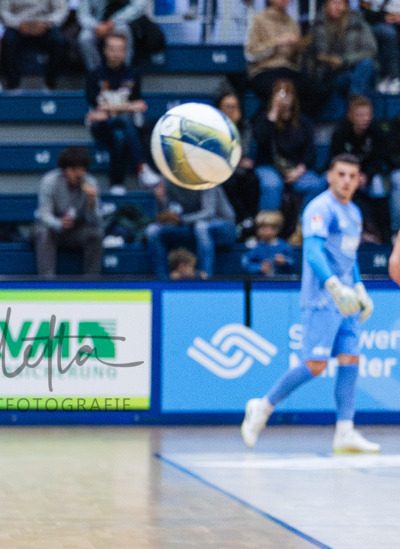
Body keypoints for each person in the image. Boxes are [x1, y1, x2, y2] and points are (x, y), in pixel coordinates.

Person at [242, 153, 379, 454]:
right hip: (323, 297)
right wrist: (334, 286)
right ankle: (262, 407)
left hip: (347, 298)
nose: (346, 181)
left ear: (358, 180)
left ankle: (345, 431)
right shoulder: (319, 208)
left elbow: (349, 257)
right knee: (315, 365)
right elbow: (314, 253)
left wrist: (359, 288)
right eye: (340, 174)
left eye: (352, 176)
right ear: (330, 176)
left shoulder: (354, 213)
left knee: (351, 359)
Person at [84, 32, 161, 194]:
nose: (116, 53)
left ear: (126, 52)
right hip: (101, 125)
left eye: (120, 49)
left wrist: (113, 108)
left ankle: (117, 184)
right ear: (105, 51)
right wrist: (126, 107)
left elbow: (139, 104)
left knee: (120, 134)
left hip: (124, 125)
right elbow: (98, 107)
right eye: (112, 49)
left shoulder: (132, 74)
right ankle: (142, 168)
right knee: (124, 121)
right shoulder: (94, 75)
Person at [251, 79, 325, 216]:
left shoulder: (303, 123)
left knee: (316, 184)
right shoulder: (263, 119)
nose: (283, 97)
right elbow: (260, 142)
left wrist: (299, 170)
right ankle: (267, 228)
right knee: (272, 185)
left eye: (287, 93)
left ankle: (302, 225)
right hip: (269, 166)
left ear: (294, 97)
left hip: (296, 169)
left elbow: (309, 153)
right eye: (279, 93)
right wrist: (273, 113)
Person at [144, 179, 236, 278]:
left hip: (222, 227)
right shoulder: (170, 181)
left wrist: (182, 220)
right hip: (189, 226)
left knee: (201, 227)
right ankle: (162, 277)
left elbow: (209, 213)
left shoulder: (207, 180)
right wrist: (161, 202)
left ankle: (205, 274)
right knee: (152, 230)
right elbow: (167, 213)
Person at [329, 95, 390, 243]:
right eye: (360, 115)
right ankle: (359, 231)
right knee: (347, 187)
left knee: (378, 186)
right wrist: (353, 175)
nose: (365, 119)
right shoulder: (340, 131)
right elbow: (336, 159)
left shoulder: (376, 130)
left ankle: (385, 235)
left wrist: (367, 175)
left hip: (369, 173)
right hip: (347, 174)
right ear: (350, 116)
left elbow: (379, 158)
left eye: (368, 115)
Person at [33, 146, 102, 276]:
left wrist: (92, 203)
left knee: (95, 234)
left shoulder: (90, 182)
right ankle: (47, 282)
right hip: (53, 228)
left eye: (83, 169)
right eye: (75, 169)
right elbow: (44, 214)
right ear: (65, 170)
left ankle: (91, 284)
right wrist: (59, 223)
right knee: (43, 232)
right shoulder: (50, 182)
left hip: (76, 229)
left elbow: (95, 220)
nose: (80, 174)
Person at [304, 0, 378, 106]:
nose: (337, 7)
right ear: (326, 5)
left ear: (346, 6)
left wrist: (345, 60)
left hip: (356, 67)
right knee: (347, 80)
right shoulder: (319, 24)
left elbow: (371, 50)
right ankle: (355, 107)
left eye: (340, 3)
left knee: (366, 65)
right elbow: (317, 54)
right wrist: (329, 61)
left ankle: (354, 103)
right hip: (333, 72)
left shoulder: (357, 22)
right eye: (333, 3)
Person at [244, 0, 310, 109]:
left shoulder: (292, 22)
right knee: (279, 88)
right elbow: (250, 54)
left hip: (289, 70)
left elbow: (296, 60)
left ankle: (299, 123)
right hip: (264, 71)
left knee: (310, 87)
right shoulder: (257, 20)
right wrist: (276, 43)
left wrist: (299, 46)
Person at [0, 0, 70, 91]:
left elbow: (61, 10)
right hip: (18, 24)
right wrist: (17, 24)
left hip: (44, 24)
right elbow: (2, 11)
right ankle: (13, 85)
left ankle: (50, 84)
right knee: (8, 40)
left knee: (58, 41)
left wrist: (47, 23)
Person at [215, 90, 259, 231]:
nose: (232, 111)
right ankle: (237, 221)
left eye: (236, 107)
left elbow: (243, 152)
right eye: (228, 107)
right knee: (229, 181)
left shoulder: (245, 127)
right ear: (219, 109)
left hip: (237, 169)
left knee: (251, 179)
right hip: (216, 169)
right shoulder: (210, 126)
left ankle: (250, 222)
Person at [76, 0, 147, 74]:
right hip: (97, 23)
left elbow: (139, 6)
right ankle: (96, 73)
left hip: (122, 20)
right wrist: (96, 26)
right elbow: (82, 14)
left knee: (124, 30)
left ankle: (125, 72)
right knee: (85, 37)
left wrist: (113, 22)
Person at [361, 0, 400, 94]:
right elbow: (363, 10)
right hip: (377, 23)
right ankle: (393, 77)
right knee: (388, 33)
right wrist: (384, 17)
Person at [245, 209, 295, 276]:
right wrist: (259, 268)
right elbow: (247, 263)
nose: (261, 231)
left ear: (276, 229)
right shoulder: (257, 247)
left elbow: (292, 262)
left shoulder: (284, 246)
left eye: (265, 228)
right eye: (259, 227)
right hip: (261, 283)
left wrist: (284, 261)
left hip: (281, 283)